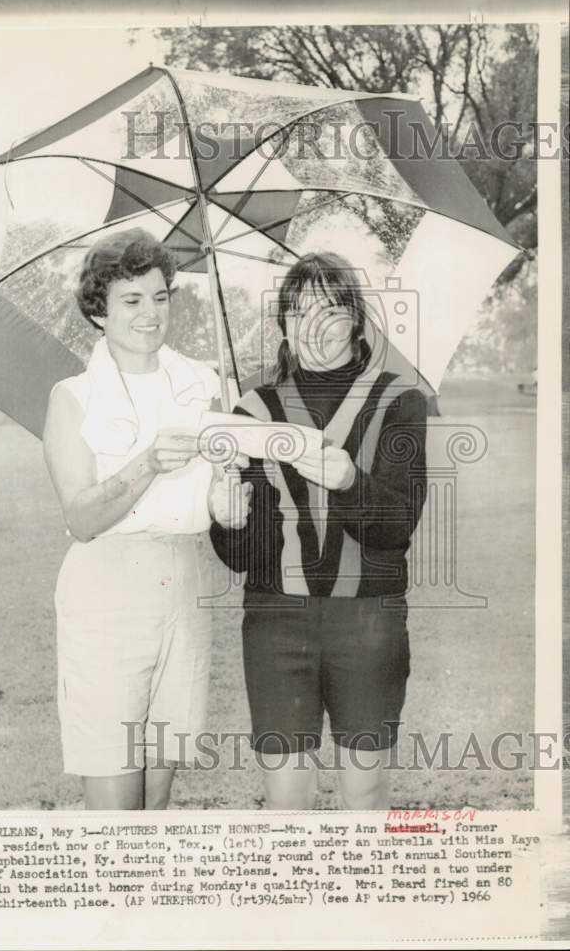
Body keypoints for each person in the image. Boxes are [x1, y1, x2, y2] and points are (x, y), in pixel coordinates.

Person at [210, 252, 428, 810]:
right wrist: (228, 522)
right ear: (281, 323)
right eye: (298, 310)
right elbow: (244, 556)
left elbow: (397, 528)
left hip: (368, 619)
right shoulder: (253, 410)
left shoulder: (397, 400)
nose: (313, 325)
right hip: (276, 618)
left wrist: (352, 482)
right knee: (286, 798)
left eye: (330, 308)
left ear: (356, 319)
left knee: (366, 788)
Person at [43, 228, 250, 810]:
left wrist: (230, 500)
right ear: (98, 312)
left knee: (157, 786)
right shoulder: (74, 397)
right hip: (106, 589)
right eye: (131, 300)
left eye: (160, 297)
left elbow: (217, 509)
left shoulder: (204, 386)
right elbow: (81, 517)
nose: (150, 313)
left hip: (184, 586)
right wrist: (146, 464)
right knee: (114, 789)